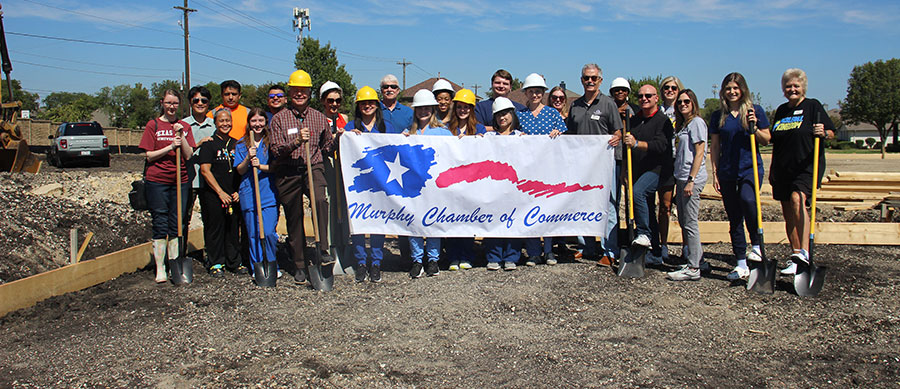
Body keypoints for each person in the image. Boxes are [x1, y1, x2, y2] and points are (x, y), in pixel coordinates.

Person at [269, 69, 335, 285]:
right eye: (296, 90)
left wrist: (339, 138)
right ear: (290, 92)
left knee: (319, 200)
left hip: (312, 167)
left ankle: (322, 248)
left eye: (303, 90)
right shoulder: (279, 119)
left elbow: (326, 146)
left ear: (309, 92)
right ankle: (299, 264)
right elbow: (277, 150)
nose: (300, 94)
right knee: (294, 216)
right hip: (288, 170)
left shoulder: (318, 117)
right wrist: (296, 142)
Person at [769, 68, 835, 275]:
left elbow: (831, 132)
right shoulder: (781, 111)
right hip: (782, 167)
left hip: (806, 165)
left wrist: (824, 132)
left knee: (798, 200)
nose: (792, 89)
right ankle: (796, 255)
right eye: (788, 86)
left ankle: (805, 251)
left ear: (803, 87)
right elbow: (773, 137)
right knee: (788, 212)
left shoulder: (813, 106)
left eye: (796, 86)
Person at [709, 72, 772, 280]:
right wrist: (715, 172)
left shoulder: (756, 111)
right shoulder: (719, 116)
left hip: (749, 168)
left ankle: (756, 246)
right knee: (734, 217)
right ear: (723, 92)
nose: (732, 92)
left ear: (743, 90)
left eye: (736, 88)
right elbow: (716, 145)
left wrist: (754, 126)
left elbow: (766, 139)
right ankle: (740, 263)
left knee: (748, 200)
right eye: (728, 89)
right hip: (727, 170)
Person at [565, 64, 624, 267]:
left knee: (609, 205)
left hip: (606, 164)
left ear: (600, 80)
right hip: (582, 166)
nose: (590, 81)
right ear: (581, 80)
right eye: (586, 78)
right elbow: (570, 135)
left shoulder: (608, 104)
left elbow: (618, 131)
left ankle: (610, 250)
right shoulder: (575, 105)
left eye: (593, 78)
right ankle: (586, 246)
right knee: (582, 203)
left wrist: (616, 138)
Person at [139, 90, 196, 283]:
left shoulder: (185, 125)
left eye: (175, 103)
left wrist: (182, 136)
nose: (172, 106)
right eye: (168, 102)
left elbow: (188, 155)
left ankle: (174, 265)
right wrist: (171, 146)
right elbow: (149, 155)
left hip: (180, 180)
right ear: (162, 103)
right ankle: (160, 268)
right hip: (157, 180)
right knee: (160, 221)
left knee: (176, 223)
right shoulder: (153, 125)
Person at [343, 86, 397, 283]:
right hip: (358, 185)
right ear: (358, 106)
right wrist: (345, 137)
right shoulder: (350, 128)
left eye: (371, 102)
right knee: (357, 223)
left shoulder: (387, 128)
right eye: (363, 103)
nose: (367, 106)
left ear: (377, 105)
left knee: (377, 223)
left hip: (380, 184)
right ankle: (360, 263)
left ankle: (376, 262)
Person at [517, 73, 567, 266]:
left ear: (543, 93)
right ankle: (533, 252)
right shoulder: (520, 116)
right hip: (527, 171)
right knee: (530, 210)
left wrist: (558, 133)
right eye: (532, 91)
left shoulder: (553, 114)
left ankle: (549, 251)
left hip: (549, 170)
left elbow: (566, 138)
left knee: (548, 210)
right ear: (526, 93)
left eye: (538, 91)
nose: (535, 95)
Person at [405, 89, 453, 278]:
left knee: (434, 219)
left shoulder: (442, 131)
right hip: (413, 185)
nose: (423, 111)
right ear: (415, 110)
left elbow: (456, 153)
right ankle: (417, 259)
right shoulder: (409, 131)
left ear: (432, 109)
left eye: (427, 108)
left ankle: (433, 259)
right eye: (420, 108)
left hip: (435, 184)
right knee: (413, 220)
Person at [666, 89, 708, 281]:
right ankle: (696, 259)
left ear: (693, 103)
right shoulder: (684, 125)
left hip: (691, 179)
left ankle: (694, 268)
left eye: (687, 101)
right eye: (680, 102)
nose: (683, 104)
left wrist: (691, 180)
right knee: (684, 221)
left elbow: (700, 152)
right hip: (681, 177)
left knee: (690, 223)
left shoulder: (697, 123)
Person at [623, 85, 670, 253]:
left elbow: (661, 145)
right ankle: (655, 252)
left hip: (657, 170)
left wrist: (637, 144)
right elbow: (625, 146)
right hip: (638, 169)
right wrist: (625, 171)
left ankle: (644, 234)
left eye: (648, 95)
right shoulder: (634, 120)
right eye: (641, 96)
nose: (644, 98)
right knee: (648, 209)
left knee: (638, 193)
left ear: (656, 98)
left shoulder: (663, 121)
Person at [443, 88, 485, 272]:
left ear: (472, 109)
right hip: (451, 181)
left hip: (472, 182)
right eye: (459, 107)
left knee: (468, 219)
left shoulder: (480, 128)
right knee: (451, 219)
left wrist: (481, 140)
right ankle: (452, 256)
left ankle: (467, 255)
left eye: (467, 107)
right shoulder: (445, 129)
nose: (462, 110)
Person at [234, 108, 280, 277]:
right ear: (249, 123)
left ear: (266, 123)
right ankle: (257, 266)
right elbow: (239, 170)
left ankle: (272, 262)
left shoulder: (271, 143)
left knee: (268, 232)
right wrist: (248, 157)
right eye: (254, 121)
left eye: (261, 120)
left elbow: (275, 167)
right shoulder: (241, 144)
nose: (257, 124)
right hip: (249, 194)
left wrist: (260, 166)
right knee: (253, 233)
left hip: (268, 192)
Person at [198, 108, 242, 277]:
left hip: (233, 194)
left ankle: (234, 262)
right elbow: (205, 170)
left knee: (232, 228)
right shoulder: (210, 144)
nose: (225, 124)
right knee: (215, 228)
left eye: (228, 121)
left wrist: (237, 191)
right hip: (214, 194)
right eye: (221, 121)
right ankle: (216, 262)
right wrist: (220, 192)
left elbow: (240, 170)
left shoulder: (236, 144)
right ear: (215, 123)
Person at [483, 97, 524, 271]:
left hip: (514, 188)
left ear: (512, 115)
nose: (502, 117)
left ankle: (511, 257)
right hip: (493, 188)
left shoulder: (522, 137)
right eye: (498, 114)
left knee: (513, 221)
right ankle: (493, 256)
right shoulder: (488, 136)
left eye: (505, 113)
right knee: (493, 221)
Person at [647, 76, 682, 265]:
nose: (670, 90)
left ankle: (686, 245)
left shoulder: (683, 109)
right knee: (660, 205)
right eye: (666, 88)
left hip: (679, 160)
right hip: (660, 161)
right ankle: (661, 244)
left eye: (673, 88)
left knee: (672, 206)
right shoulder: (657, 111)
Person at [183, 85, 215, 266]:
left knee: (210, 220)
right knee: (183, 220)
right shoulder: (183, 125)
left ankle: (212, 256)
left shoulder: (213, 125)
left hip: (208, 181)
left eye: (204, 100)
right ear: (190, 103)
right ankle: (180, 255)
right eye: (196, 100)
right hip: (190, 180)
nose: (200, 103)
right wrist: (198, 144)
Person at [319, 80, 351, 268]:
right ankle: (330, 245)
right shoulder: (318, 118)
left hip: (343, 164)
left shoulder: (344, 118)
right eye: (330, 100)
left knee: (344, 204)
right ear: (323, 101)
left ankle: (345, 242)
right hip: (327, 164)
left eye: (337, 100)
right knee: (330, 203)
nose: (334, 104)